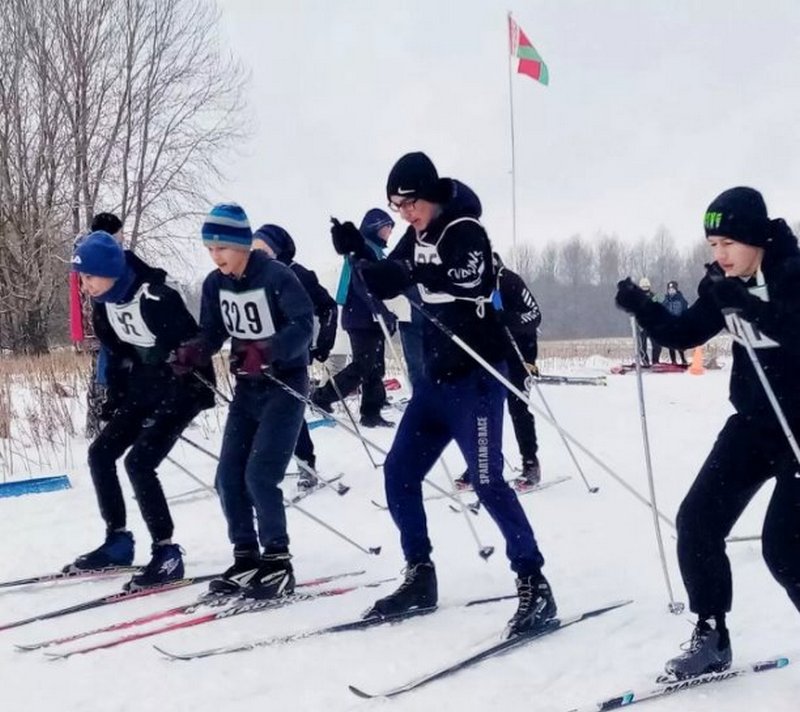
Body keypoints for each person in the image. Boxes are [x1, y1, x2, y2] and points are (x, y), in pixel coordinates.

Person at [341, 151, 555, 637]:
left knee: (487, 482)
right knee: (399, 472)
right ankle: (420, 575)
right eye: (396, 207)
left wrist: (411, 274)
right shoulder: (412, 237)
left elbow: (468, 278)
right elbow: (381, 280)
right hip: (435, 383)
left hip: (477, 377)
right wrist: (357, 252)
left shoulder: (465, 229)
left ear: (430, 195)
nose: (405, 214)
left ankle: (533, 582)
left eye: (409, 203)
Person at [615, 186, 800, 678]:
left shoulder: (793, 273)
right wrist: (643, 307)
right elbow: (685, 334)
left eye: (727, 244)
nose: (718, 255)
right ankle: (711, 635)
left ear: (756, 237)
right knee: (697, 522)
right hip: (756, 425)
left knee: (785, 548)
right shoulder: (724, 281)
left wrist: (747, 305)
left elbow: (794, 328)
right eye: (712, 245)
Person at [171, 203, 314, 599]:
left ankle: (277, 560)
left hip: (285, 385)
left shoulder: (276, 276)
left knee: (259, 475)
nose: (216, 257)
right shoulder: (215, 285)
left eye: (222, 249)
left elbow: (305, 325)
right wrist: (194, 351)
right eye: (209, 250)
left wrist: (268, 351)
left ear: (241, 245)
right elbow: (213, 333)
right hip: (248, 389)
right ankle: (246, 556)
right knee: (227, 478)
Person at [65, 231, 215, 590]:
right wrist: (115, 395)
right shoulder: (104, 304)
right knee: (101, 454)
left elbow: (196, 344)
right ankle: (117, 540)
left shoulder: (157, 296)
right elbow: (116, 352)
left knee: (139, 462)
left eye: (88, 277)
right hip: (146, 386)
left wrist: (185, 374)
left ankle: (166, 553)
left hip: (184, 388)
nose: (83, 286)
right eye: (80, 279)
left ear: (111, 270)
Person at [252, 223, 338, 490]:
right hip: (260, 355)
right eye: (253, 248)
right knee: (258, 409)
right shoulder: (251, 275)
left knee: (291, 412)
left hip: (293, 353)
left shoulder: (299, 274)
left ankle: (305, 464)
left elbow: (328, 308)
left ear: (277, 249)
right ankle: (258, 467)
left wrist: (322, 344)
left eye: (263, 248)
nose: (256, 254)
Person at [454, 253, 543, 489]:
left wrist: (508, 319)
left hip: (519, 353)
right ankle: (483, 464)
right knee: (482, 408)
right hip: (490, 354)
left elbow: (535, 315)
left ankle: (530, 462)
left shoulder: (510, 281)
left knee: (517, 407)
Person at [312, 208, 397, 428]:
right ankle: (322, 396)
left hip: (371, 317)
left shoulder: (376, 251)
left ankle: (371, 411)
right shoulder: (363, 250)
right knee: (363, 365)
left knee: (375, 367)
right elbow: (362, 287)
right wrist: (382, 312)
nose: (389, 233)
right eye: (386, 228)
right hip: (360, 316)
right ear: (374, 227)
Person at [71, 212, 124, 438]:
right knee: (102, 379)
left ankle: (96, 424)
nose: (122, 238)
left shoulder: (83, 254)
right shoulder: (97, 258)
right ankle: (100, 425)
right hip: (100, 328)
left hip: (93, 328)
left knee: (99, 378)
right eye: (119, 233)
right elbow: (89, 298)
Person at [659, 281, 689, 365]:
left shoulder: (681, 299)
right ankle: (673, 361)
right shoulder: (664, 298)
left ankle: (683, 359)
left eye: (672, 289)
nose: (671, 291)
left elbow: (685, 310)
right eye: (669, 290)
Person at [636, 277, 659, 365]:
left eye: (647, 288)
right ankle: (645, 361)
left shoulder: (654, 296)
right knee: (642, 346)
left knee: (657, 345)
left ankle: (655, 361)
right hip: (642, 325)